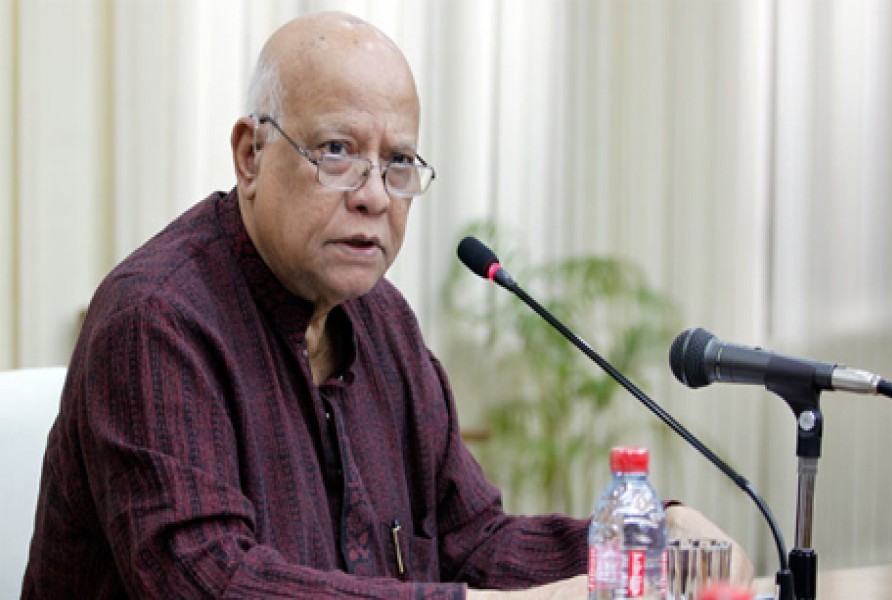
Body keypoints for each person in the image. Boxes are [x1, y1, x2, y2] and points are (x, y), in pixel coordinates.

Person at [23, 11, 751, 599]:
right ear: (251, 155)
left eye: (398, 162)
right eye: (337, 150)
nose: (374, 195)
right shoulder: (155, 320)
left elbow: (472, 540)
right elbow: (211, 582)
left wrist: (655, 539)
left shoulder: (384, 322)